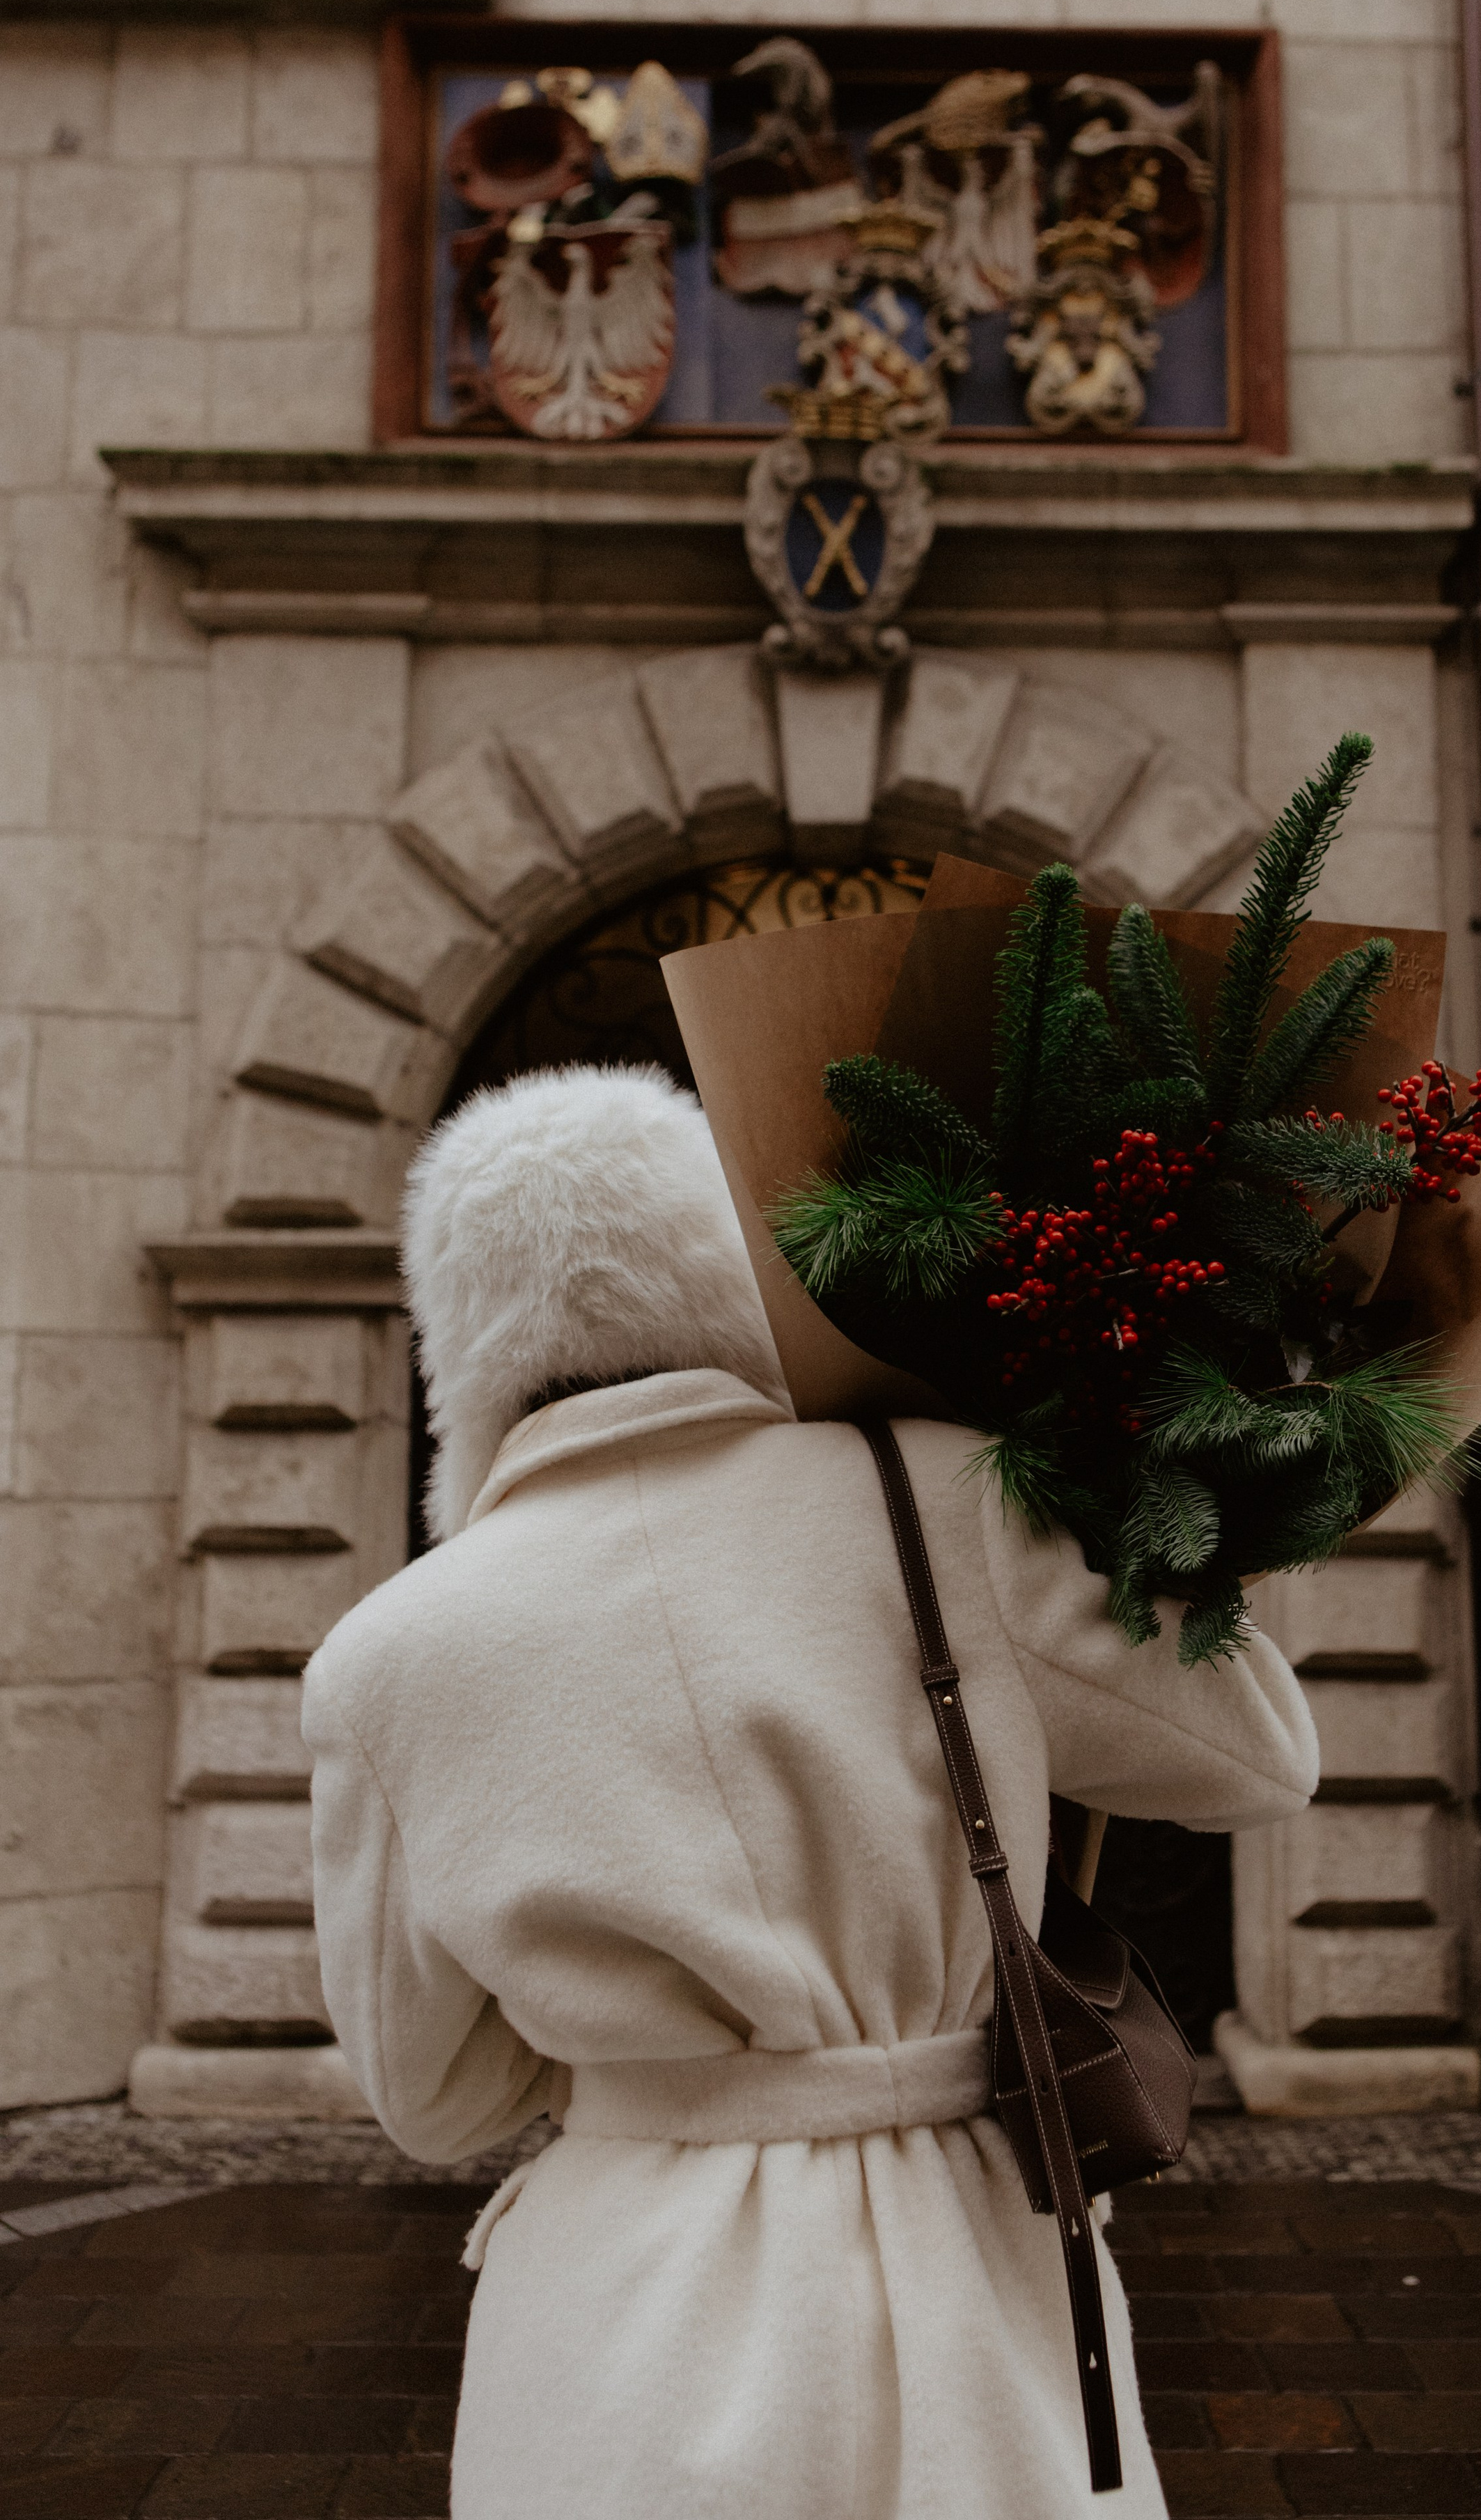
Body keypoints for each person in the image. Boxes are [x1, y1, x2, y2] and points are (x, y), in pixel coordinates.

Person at [304, 1062, 1319, 2519]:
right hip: (965, 2266)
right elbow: (1261, 1759)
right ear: (733, 1266)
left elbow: (436, 2098)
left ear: (455, 1343)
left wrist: (637, 2019)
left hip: (619, 2311)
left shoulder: (383, 1660)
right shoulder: (944, 1498)